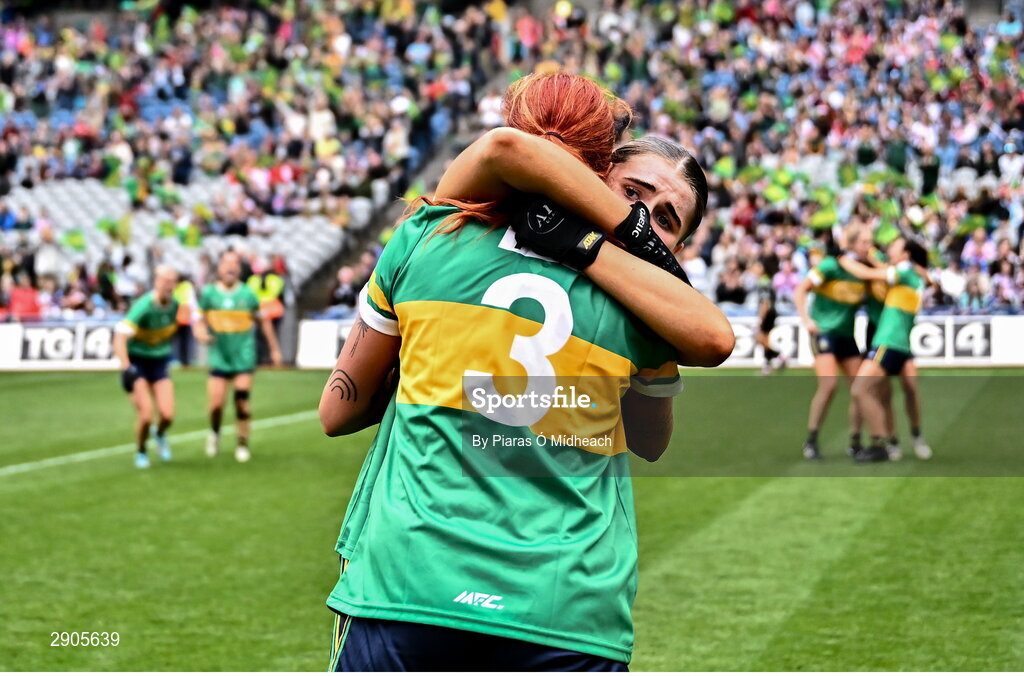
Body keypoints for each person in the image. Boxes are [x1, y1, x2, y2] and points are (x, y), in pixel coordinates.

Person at [319, 72, 733, 671]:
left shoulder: (428, 237)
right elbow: (653, 439)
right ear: (593, 179)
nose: (640, 213)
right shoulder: (653, 315)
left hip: (407, 583)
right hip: (565, 605)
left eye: (666, 219)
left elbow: (338, 413)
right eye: (632, 193)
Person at [842, 236, 934, 462]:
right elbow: (885, 268)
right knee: (896, 393)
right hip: (901, 344)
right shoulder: (909, 273)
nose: (890, 249)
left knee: (862, 389)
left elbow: (867, 274)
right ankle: (900, 440)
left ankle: (883, 441)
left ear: (905, 255)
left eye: (895, 247)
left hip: (889, 342)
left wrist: (843, 258)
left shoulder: (904, 272)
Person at [194, 251, 282, 463]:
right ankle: (214, 433)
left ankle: (242, 443)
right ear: (219, 268)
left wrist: (274, 349)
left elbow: (264, 321)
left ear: (239, 269)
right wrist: (201, 334)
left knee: (241, 400)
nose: (230, 268)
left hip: (243, 354)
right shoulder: (208, 294)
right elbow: (198, 320)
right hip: (219, 355)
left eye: (234, 264)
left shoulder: (248, 295)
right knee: (216, 405)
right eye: (226, 263)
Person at [793, 225, 870, 460]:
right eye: (865, 242)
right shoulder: (829, 266)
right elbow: (801, 289)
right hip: (824, 332)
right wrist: (807, 320)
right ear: (853, 244)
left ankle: (855, 442)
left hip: (846, 335)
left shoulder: (864, 271)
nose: (869, 246)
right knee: (829, 385)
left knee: (860, 388)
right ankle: (812, 440)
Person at [112, 265, 180, 469]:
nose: (168, 285)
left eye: (172, 281)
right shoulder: (143, 306)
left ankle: (159, 435)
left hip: (159, 362)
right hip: (138, 362)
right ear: (156, 282)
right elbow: (119, 337)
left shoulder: (175, 306)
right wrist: (126, 367)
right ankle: (141, 451)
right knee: (146, 415)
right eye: (164, 281)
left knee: (167, 415)